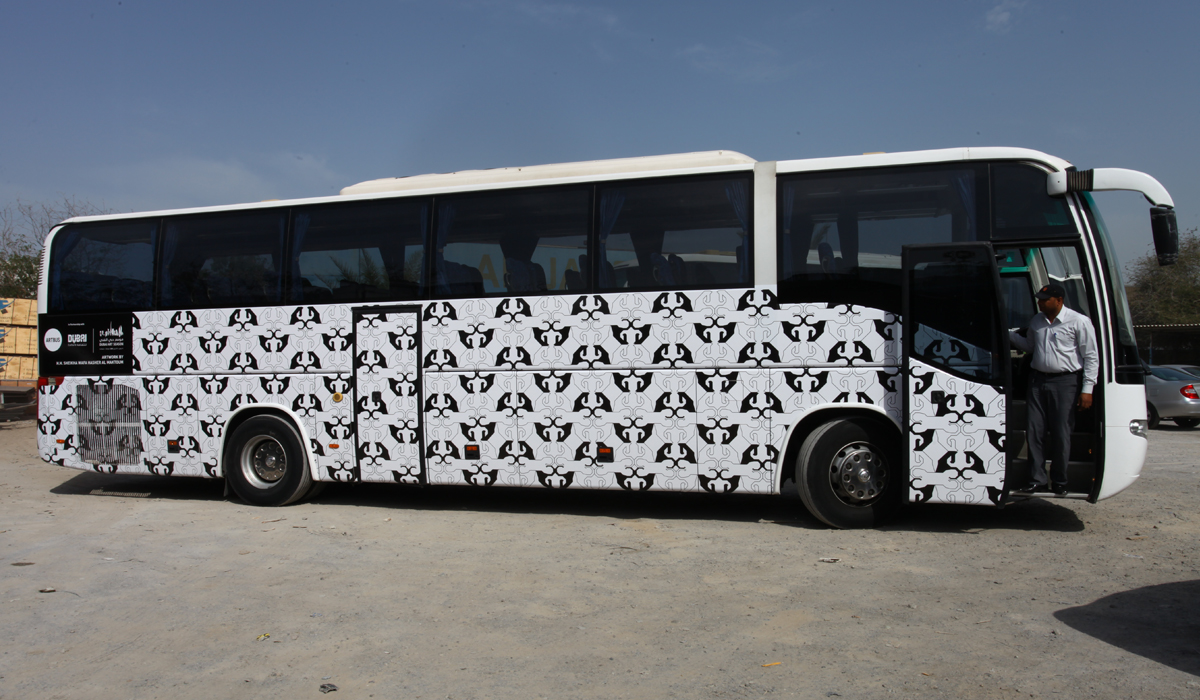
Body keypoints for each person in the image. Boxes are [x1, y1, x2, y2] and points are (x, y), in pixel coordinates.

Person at [1009, 283, 1099, 495]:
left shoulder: (1079, 321)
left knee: (1061, 432)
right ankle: (1037, 479)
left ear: (1059, 300)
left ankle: (1059, 480)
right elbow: (1030, 346)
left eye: (1044, 300)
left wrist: (1087, 389)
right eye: (1039, 299)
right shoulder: (1037, 320)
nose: (1040, 303)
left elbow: (1091, 356)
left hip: (1065, 381)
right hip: (1038, 380)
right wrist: (1009, 334)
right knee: (1034, 431)